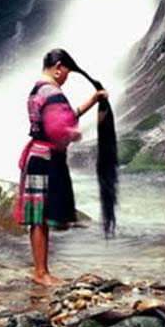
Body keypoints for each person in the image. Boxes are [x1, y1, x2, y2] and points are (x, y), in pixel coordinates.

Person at [14, 48, 108, 286]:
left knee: (38, 217)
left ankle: (40, 270)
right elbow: (61, 130)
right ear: (57, 68)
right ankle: (41, 273)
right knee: (41, 218)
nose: (66, 78)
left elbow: (64, 118)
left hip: (37, 156)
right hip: (46, 159)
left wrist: (93, 100)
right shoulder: (53, 93)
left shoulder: (37, 90)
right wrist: (78, 134)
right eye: (66, 73)